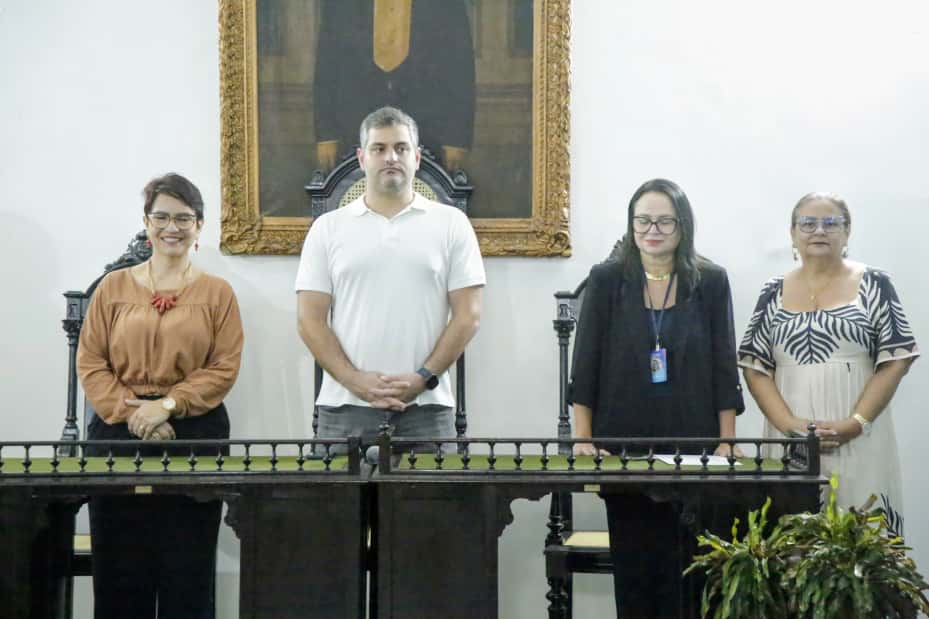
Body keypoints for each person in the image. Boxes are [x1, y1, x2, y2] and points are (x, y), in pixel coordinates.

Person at [569, 178, 745, 618]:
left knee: (689, 576)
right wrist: (583, 438)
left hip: (695, 447)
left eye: (665, 221)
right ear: (631, 224)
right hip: (622, 448)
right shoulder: (607, 280)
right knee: (636, 572)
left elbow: (724, 365)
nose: (653, 230)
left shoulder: (710, 281)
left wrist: (726, 441)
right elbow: (585, 365)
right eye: (643, 220)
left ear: (683, 226)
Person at [77, 173, 244, 619]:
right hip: (116, 434)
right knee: (118, 569)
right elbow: (91, 362)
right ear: (146, 223)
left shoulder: (218, 293)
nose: (173, 227)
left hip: (194, 435)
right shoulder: (112, 288)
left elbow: (224, 367)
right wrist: (134, 413)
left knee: (187, 569)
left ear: (199, 225)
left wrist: (168, 405)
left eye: (184, 218)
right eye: (162, 217)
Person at [296, 106, 485, 453]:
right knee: (334, 494)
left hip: (427, 407)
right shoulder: (327, 228)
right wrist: (356, 382)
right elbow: (310, 320)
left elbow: (468, 315)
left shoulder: (452, 224)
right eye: (379, 148)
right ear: (362, 158)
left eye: (400, 148)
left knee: (433, 493)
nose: (391, 157)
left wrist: (422, 378)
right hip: (343, 407)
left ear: (416, 157)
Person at [739, 192, 917, 513]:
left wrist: (855, 423)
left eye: (831, 223)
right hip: (789, 441)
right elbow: (754, 368)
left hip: (860, 438)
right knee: (791, 532)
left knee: (862, 530)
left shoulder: (875, 283)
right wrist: (791, 426)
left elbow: (896, 360)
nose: (819, 230)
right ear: (792, 234)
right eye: (808, 223)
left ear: (847, 232)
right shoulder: (772, 291)